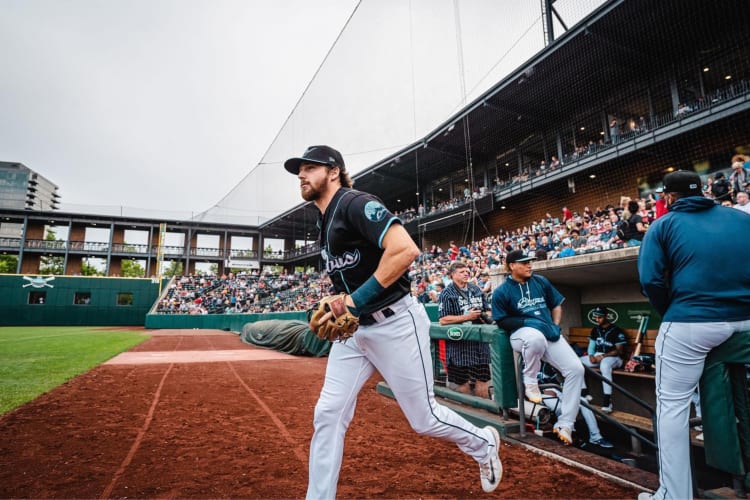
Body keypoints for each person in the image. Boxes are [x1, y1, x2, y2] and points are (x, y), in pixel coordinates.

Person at [283, 145, 502, 498]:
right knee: (328, 413)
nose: (301, 175)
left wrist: (352, 301)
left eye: (310, 168)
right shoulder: (322, 222)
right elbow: (348, 282)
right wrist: (337, 303)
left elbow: (405, 250)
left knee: (424, 418)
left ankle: (483, 444)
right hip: (355, 332)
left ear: (334, 171)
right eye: (300, 170)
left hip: (396, 323)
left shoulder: (355, 203)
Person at [637, 170, 750, 500]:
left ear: (669, 197)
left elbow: (651, 281)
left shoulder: (662, 224)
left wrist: (671, 311)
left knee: (672, 406)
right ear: (701, 191)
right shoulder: (740, 217)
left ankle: (674, 495)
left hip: (692, 323)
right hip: (747, 322)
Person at [491, 249, 584, 445]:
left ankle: (566, 423)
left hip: (546, 333)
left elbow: (556, 304)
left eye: (529, 262)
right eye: (524, 263)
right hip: (520, 335)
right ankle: (530, 379)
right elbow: (501, 321)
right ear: (511, 266)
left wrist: (556, 325)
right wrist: (527, 322)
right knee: (535, 339)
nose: (529, 265)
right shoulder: (501, 291)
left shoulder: (541, 281)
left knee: (576, 369)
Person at [438, 261, 493, 398]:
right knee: (462, 381)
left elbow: (488, 311)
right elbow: (443, 319)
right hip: (459, 344)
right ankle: (472, 411)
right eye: (462, 272)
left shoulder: (476, 289)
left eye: (467, 271)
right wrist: (466, 317)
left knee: (483, 379)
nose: (466, 273)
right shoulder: (446, 293)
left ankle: (483, 410)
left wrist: (485, 316)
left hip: (479, 344)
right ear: (452, 275)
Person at [537, 362, 614, 449]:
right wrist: (542, 391)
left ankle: (595, 437)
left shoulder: (550, 358)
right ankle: (572, 435)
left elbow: (559, 378)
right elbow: (524, 383)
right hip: (542, 393)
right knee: (560, 408)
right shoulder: (526, 359)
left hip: (557, 389)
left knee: (583, 401)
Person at [578, 305, 628, 413]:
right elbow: (591, 346)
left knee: (604, 365)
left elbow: (619, 351)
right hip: (599, 356)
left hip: (614, 358)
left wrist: (602, 356)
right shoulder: (595, 330)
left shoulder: (616, 331)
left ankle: (607, 401)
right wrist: (591, 356)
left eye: (599, 317)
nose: (597, 319)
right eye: (596, 317)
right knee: (577, 362)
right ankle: (585, 392)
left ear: (606, 316)